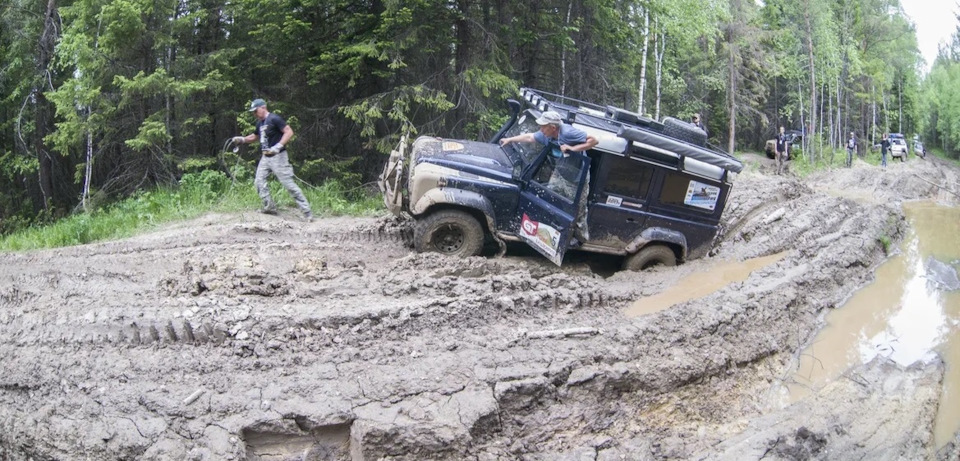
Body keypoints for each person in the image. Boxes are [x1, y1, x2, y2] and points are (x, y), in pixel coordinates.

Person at [500, 110, 598, 245]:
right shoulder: (547, 134)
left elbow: (594, 140)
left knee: (578, 209)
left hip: (577, 177)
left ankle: (580, 238)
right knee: (549, 197)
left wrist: (572, 148)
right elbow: (530, 137)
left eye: (543, 126)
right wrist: (510, 139)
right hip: (561, 171)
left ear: (553, 127)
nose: (541, 129)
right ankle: (546, 233)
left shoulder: (568, 133)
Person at [232, 99, 313, 221]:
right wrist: (242, 139)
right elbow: (255, 136)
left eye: (256, 111)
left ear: (263, 107)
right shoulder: (260, 123)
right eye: (253, 112)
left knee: (288, 184)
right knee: (259, 181)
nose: (254, 114)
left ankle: (307, 212)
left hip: (279, 156)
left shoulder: (274, 118)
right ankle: (269, 207)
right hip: (265, 157)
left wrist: (278, 146)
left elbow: (289, 131)